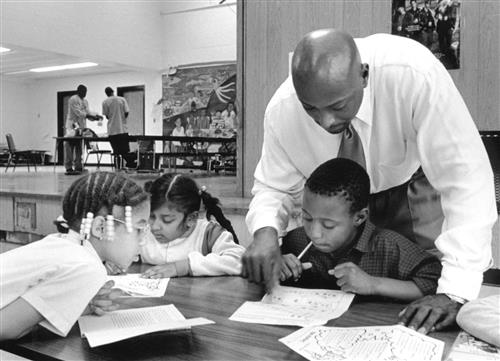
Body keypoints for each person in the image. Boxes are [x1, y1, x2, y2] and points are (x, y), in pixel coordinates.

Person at [242, 29, 496, 334]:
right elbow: (273, 187)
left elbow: (464, 178)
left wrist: (454, 291)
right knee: (350, 305)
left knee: (428, 305)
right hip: (339, 207)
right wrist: (265, 233)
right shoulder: (282, 110)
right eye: (310, 108)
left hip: (411, 190)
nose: (326, 122)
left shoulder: (413, 74)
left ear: (363, 76)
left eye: (337, 106)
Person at [0, 172, 150, 340]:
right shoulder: (87, 267)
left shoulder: (62, 243)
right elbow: (4, 327)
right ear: (100, 228)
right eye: (139, 229)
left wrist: (80, 305)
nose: (144, 240)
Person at [280, 158, 442, 304]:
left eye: (328, 225)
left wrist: (373, 284)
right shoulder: (297, 241)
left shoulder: (389, 247)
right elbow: (260, 273)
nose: (314, 233)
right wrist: (277, 265)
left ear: (360, 217)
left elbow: (436, 283)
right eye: (307, 218)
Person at [140, 173, 245, 279]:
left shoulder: (208, 234)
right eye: (151, 217)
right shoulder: (142, 233)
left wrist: (185, 266)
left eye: (167, 220)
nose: (155, 227)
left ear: (191, 218)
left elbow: (239, 260)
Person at [64, 84, 102, 175]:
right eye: (83, 92)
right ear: (78, 91)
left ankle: (78, 166)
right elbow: (78, 113)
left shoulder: (85, 101)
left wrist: (96, 116)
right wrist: (90, 116)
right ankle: (69, 167)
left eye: (86, 92)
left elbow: (88, 112)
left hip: (81, 127)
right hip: (72, 126)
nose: (85, 93)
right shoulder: (73, 99)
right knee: (69, 146)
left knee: (79, 147)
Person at [102, 87, 136, 169]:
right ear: (113, 91)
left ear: (106, 93)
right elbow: (126, 112)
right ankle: (131, 162)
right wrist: (121, 119)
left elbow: (107, 116)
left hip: (112, 130)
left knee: (116, 152)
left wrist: (113, 117)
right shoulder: (122, 99)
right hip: (122, 130)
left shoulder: (105, 102)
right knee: (125, 150)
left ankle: (118, 167)